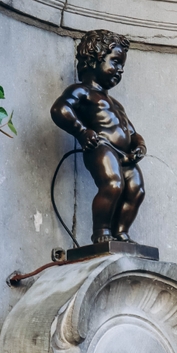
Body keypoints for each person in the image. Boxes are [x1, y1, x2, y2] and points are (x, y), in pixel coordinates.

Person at [50, 29, 146, 244]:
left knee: (136, 190)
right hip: (101, 146)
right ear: (94, 60)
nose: (120, 70)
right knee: (112, 184)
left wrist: (139, 145)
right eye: (115, 62)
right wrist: (82, 132)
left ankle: (121, 232)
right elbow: (60, 109)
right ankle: (101, 232)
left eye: (122, 65)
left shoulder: (116, 104)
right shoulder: (82, 91)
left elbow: (131, 131)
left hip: (125, 155)